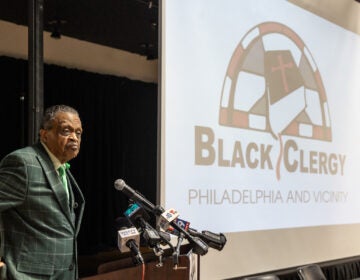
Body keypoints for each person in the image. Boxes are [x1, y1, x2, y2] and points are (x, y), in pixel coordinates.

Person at [0, 105, 85, 280]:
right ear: (44, 134)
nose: (74, 138)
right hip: (28, 275)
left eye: (78, 133)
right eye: (66, 131)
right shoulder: (23, 163)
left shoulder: (62, 168)